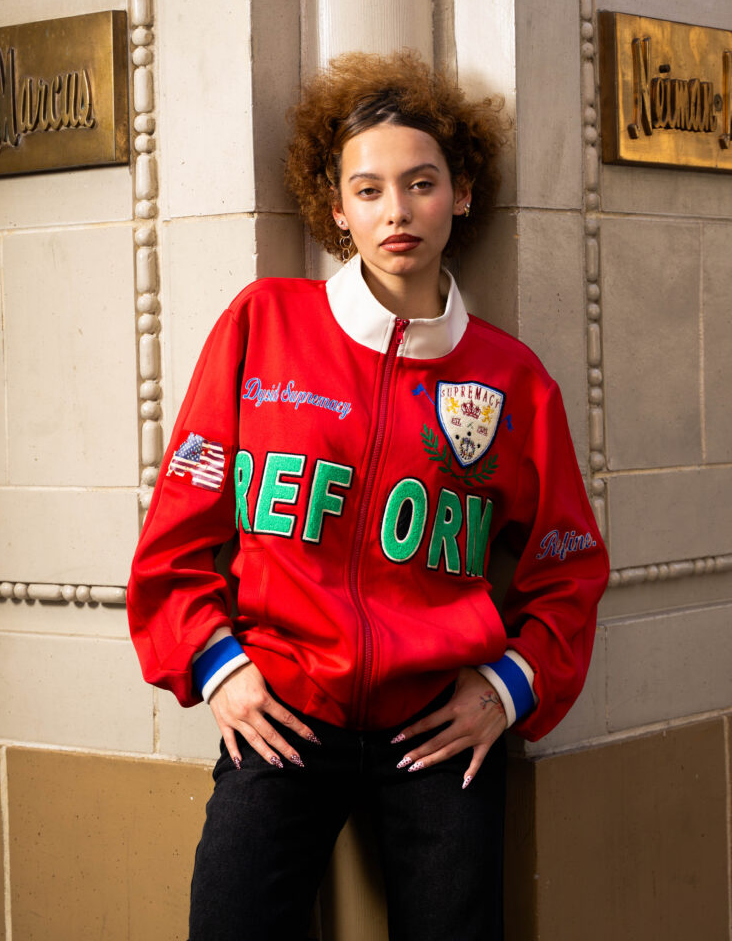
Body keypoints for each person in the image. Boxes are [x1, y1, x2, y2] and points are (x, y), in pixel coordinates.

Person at [127, 50, 610, 941]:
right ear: (337, 208)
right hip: (280, 711)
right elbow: (176, 538)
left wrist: (504, 689)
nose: (397, 211)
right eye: (369, 189)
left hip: (436, 730)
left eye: (421, 183)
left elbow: (568, 571)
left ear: (460, 194)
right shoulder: (262, 324)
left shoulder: (511, 380)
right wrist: (216, 666)